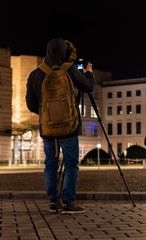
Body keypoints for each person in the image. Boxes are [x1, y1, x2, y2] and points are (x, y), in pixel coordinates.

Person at [26, 38, 95, 214]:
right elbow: (87, 87)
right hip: (69, 126)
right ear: (64, 53)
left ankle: (53, 202)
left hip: (48, 127)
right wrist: (89, 73)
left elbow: (30, 104)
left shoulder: (35, 74)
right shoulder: (69, 69)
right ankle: (69, 203)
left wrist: (47, 115)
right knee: (71, 163)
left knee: (50, 163)